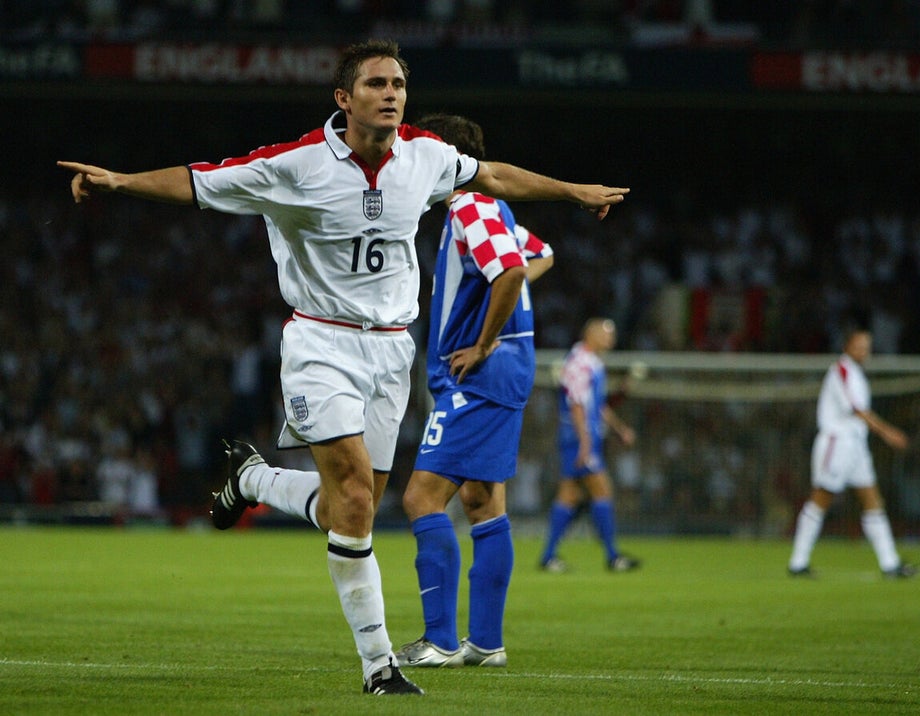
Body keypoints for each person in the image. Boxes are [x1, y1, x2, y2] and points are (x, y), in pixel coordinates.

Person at [58, 39, 628, 696]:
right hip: (321, 345)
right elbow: (198, 180)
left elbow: (493, 176)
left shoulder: (426, 156)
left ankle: (256, 481)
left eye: (398, 84)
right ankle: (379, 665)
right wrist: (122, 181)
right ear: (343, 98)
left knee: (346, 508)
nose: (391, 94)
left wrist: (573, 191)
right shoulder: (296, 164)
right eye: (377, 84)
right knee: (357, 499)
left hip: (391, 350)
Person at [390, 114, 553, 670]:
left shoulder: (469, 205)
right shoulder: (495, 209)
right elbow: (540, 253)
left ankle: (439, 641)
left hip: (481, 375)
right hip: (504, 371)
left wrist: (485, 341)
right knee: (482, 502)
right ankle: (485, 644)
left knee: (420, 498)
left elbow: (509, 272)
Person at [787, 327, 918, 579]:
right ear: (847, 346)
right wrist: (887, 432)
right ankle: (798, 562)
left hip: (856, 445)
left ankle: (890, 564)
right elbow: (857, 409)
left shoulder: (856, 373)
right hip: (838, 442)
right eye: (859, 346)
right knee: (822, 497)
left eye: (867, 347)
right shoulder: (842, 370)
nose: (863, 351)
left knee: (873, 500)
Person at [539, 318, 640, 573]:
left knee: (569, 495)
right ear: (590, 335)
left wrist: (619, 429)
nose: (611, 340)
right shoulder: (579, 362)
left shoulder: (593, 362)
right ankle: (613, 556)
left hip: (582, 436)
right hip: (578, 437)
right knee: (601, 491)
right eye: (606, 335)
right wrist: (585, 442)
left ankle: (549, 556)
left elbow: (597, 405)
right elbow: (576, 405)